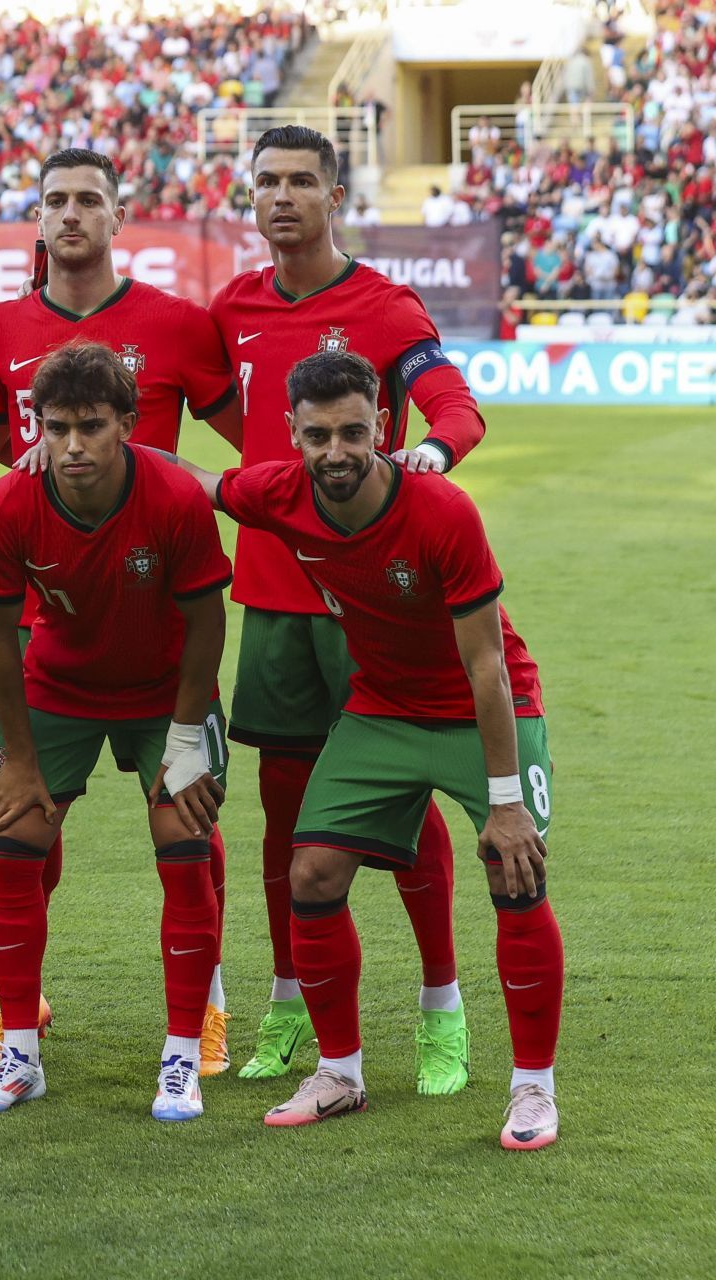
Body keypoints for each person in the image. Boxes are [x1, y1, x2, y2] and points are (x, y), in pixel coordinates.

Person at [173, 350, 563, 1150]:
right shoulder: (281, 491)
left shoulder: (440, 510)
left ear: (382, 427)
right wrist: (98, 447)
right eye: (317, 436)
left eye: (354, 432)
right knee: (311, 873)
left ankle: (533, 1090)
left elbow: (486, 663)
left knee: (514, 869)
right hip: (382, 709)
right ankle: (341, 1073)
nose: (337, 452)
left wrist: (505, 804)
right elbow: (199, 481)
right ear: (292, 435)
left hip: (485, 708)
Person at [0, 147, 240, 1070]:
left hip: (160, 615)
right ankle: (21, 1009)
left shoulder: (178, 324)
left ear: (119, 218)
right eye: (55, 202)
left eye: (89, 201)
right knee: (29, 814)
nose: (71, 215)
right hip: (48, 625)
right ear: (36, 220)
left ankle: (210, 1008)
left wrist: (286, 497)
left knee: (190, 821)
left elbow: (253, 435)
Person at [210, 126, 487, 1091]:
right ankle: (290, 1003)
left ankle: (441, 1008)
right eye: (267, 183)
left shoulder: (384, 304)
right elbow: (230, 425)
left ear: (336, 196)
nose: (282, 197)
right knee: (284, 819)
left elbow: (453, 405)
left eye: (301, 182)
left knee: (407, 812)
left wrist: (434, 454)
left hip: (373, 609)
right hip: (276, 602)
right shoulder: (233, 307)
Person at [0, 343, 230, 1119]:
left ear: (128, 424)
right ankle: (19, 1051)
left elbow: (208, 622)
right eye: (56, 428)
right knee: (15, 849)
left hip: (169, 693)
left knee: (184, 851)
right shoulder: (7, 505)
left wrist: (185, 740)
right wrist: (15, 757)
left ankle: (182, 1055)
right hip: (60, 687)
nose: (72, 445)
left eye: (90, 426)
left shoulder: (176, 496)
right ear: (37, 426)